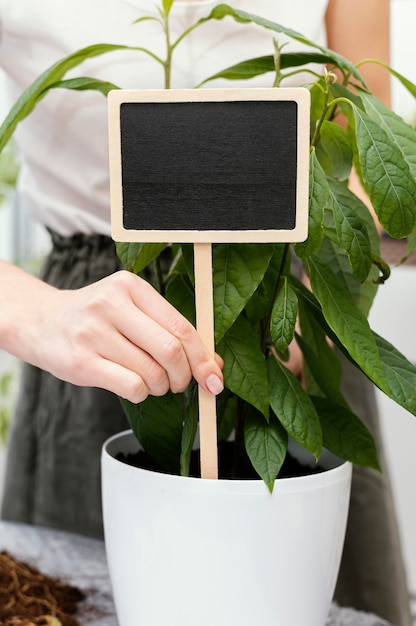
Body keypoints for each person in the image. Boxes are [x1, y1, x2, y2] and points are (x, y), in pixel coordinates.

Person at [0, 1, 411, 624]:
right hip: (99, 338)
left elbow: (365, 138)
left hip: (294, 314)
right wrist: (32, 314)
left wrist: (379, 231)